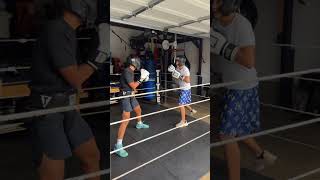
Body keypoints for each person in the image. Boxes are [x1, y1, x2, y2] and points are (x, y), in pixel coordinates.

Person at [30, 0, 108, 179]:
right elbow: (74, 78)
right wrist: (101, 53)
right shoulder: (56, 29)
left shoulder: (70, 31)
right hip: (48, 111)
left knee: (92, 157)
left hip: (68, 108)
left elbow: (73, 81)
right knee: (55, 174)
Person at [210, 0, 277, 179]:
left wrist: (222, 47)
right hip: (230, 85)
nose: (213, 5)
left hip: (243, 87)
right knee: (238, 131)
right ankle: (263, 155)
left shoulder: (242, 25)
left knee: (226, 134)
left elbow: (249, 61)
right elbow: (217, 54)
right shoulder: (215, 24)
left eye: (218, 1)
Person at [114, 57, 150, 158]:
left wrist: (137, 84)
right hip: (125, 96)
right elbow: (134, 85)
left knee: (138, 109)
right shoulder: (127, 71)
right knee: (126, 119)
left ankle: (139, 123)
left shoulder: (130, 71)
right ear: (137, 64)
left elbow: (131, 86)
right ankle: (118, 145)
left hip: (130, 94)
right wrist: (141, 79)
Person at [168, 55, 196, 127]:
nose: (176, 62)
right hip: (181, 87)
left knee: (181, 104)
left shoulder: (185, 69)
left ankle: (184, 121)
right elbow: (175, 76)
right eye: (176, 61)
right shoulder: (177, 67)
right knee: (184, 102)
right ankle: (192, 110)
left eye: (177, 61)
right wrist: (173, 72)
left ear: (181, 62)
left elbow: (188, 80)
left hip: (185, 89)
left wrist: (179, 76)